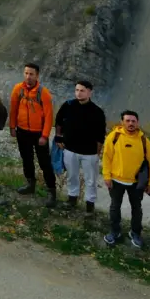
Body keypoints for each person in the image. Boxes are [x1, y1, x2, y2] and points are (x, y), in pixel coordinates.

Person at [101, 109, 150, 249]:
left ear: (137, 122)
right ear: (122, 122)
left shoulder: (144, 141)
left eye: (133, 121)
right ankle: (115, 231)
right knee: (115, 207)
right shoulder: (113, 137)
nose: (131, 123)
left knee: (136, 209)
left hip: (136, 183)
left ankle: (136, 233)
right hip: (116, 180)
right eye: (127, 121)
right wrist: (107, 176)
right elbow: (106, 157)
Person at [54, 79, 107, 213]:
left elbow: (101, 135)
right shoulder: (68, 105)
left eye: (82, 90)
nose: (79, 93)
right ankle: (72, 200)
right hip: (70, 149)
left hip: (89, 152)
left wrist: (97, 153)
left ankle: (90, 204)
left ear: (90, 92)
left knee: (91, 180)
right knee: (72, 176)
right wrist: (58, 136)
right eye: (77, 90)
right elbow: (59, 121)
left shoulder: (97, 111)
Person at [9, 63, 57, 207]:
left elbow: (49, 116)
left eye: (31, 74)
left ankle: (51, 191)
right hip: (22, 131)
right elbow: (13, 109)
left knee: (44, 163)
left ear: (37, 76)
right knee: (26, 159)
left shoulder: (43, 93)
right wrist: (12, 126)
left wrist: (44, 135)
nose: (28, 77)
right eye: (26, 73)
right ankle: (30, 184)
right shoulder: (18, 89)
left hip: (38, 133)